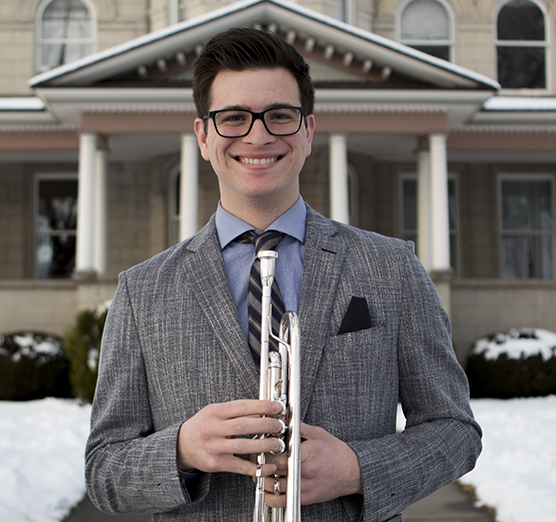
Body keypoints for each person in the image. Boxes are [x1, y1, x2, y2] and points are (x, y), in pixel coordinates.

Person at [85, 28, 482, 522]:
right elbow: (104, 469)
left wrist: (357, 468)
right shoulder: (143, 290)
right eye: (233, 118)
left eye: (280, 115)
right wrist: (182, 449)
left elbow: (454, 431)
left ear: (308, 132)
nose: (258, 135)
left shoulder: (391, 268)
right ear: (204, 137)